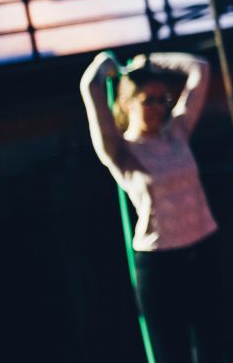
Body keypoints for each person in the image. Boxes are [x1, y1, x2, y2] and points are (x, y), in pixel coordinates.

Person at [79, 51, 222, 363]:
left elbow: (200, 69)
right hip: (161, 264)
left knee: (213, 347)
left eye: (163, 99)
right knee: (173, 354)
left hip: (203, 249)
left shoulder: (177, 132)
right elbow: (90, 86)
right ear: (128, 104)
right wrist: (111, 65)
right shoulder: (120, 150)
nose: (158, 108)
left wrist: (153, 61)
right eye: (149, 100)